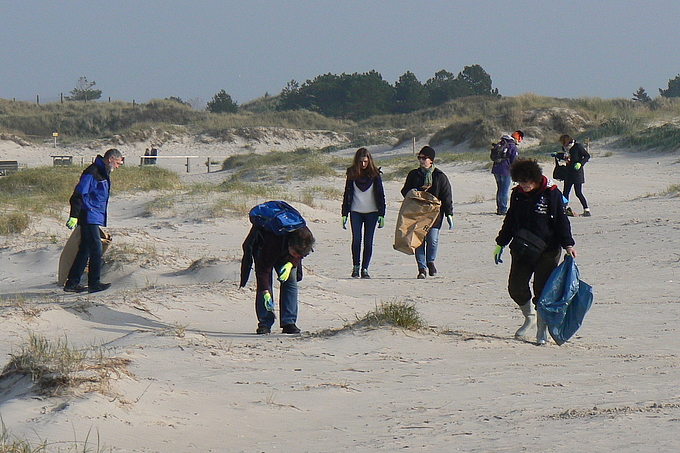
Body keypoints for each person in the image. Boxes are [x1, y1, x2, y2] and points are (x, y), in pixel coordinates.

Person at [493, 159, 577, 344]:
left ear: (536, 179)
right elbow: (510, 220)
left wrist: (568, 245)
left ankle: (541, 330)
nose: (523, 186)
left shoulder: (551, 194)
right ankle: (529, 317)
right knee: (516, 287)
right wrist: (500, 243)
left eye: (527, 182)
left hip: (547, 249)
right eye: (520, 182)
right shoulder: (517, 195)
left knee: (542, 291)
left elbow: (562, 221)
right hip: (522, 248)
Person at [64, 148, 124, 293]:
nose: (117, 166)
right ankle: (94, 284)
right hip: (87, 215)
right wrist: (74, 215)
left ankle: (72, 284)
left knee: (85, 249)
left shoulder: (103, 172)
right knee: (96, 249)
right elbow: (78, 193)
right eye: (117, 163)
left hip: (94, 215)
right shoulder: (93, 172)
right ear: (110, 159)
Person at [240, 224, 315, 335]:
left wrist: (292, 263)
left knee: (290, 282)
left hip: (286, 254)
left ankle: (289, 323)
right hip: (264, 248)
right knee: (265, 285)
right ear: (290, 244)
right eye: (295, 253)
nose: (296, 255)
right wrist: (265, 292)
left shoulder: (305, 238)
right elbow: (263, 270)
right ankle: (265, 323)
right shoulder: (273, 242)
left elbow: (300, 255)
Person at [400, 146, 454, 279]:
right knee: (418, 240)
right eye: (420, 157)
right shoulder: (414, 174)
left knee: (433, 239)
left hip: (434, 214)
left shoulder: (439, 176)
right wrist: (414, 191)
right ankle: (422, 268)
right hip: (417, 213)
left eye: (424, 158)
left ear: (431, 160)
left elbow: (446, 195)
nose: (422, 160)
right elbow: (404, 191)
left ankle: (431, 261)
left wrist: (449, 214)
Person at [341, 147, 386, 279]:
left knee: (368, 241)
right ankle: (355, 267)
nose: (363, 164)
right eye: (361, 161)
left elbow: (380, 194)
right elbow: (347, 194)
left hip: (372, 212)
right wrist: (344, 213)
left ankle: (365, 269)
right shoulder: (352, 173)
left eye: (365, 161)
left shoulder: (375, 174)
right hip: (356, 211)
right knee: (356, 240)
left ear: (369, 161)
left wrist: (382, 214)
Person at [553, 134, 591, 216]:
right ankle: (563, 208)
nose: (562, 144)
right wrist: (557, 154)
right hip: (568, 173)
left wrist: (580, 163)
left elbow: (587, 156)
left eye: (563, 142)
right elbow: (566, 157)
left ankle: (586, 210)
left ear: (567, 141)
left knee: (578, 192)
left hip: (577, 173)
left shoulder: (577, 147)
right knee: (565, 192)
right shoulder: (565, 148)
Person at [491, 130, 523, 215]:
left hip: (496, 169)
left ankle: (499, 208)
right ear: (518, 138)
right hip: (505, 170)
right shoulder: (512, 146)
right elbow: (514, 161)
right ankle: (503, 209)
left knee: (500, 189)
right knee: (504, 190)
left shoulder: (501, 143)